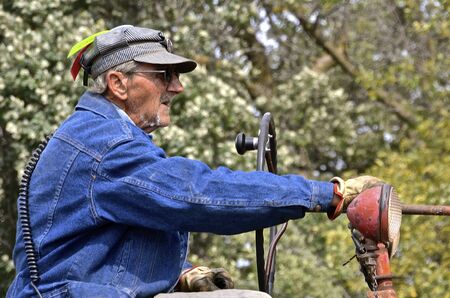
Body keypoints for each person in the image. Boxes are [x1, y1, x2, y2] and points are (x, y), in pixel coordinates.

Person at [7, 25, 381, 298]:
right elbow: (196, 192)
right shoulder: (106, 146)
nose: (177, 87)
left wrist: (186, 274)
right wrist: (328, 194)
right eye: (163, 75)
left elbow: (94, 246)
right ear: (118, 84)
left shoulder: (94, 135)